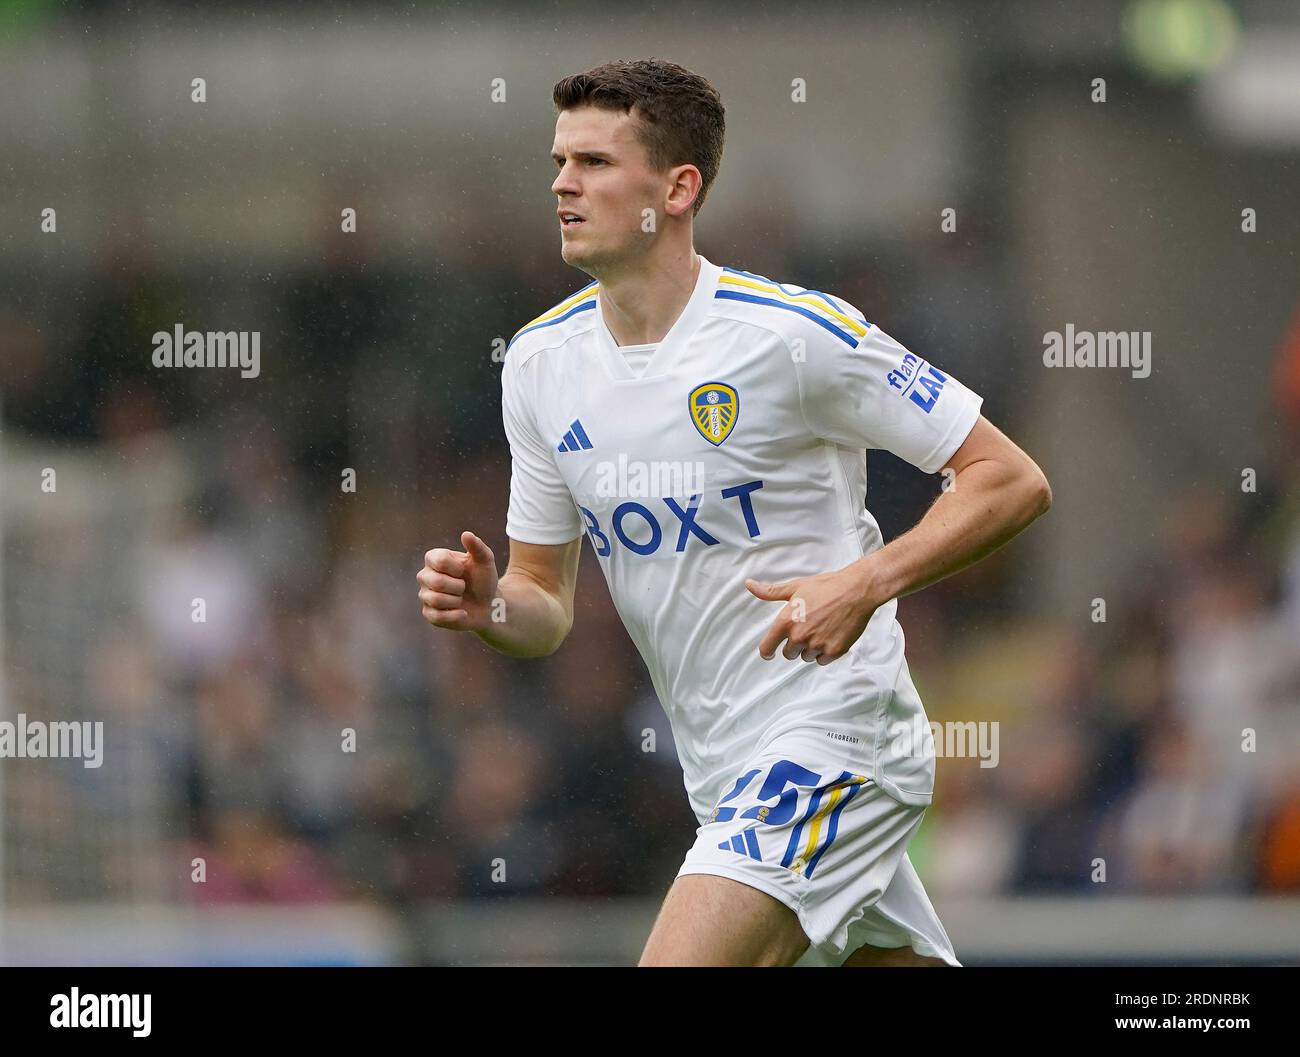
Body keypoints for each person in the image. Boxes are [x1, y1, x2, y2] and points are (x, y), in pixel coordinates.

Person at [417, 58, 1051, 967]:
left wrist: (863, 583)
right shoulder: (538, 364)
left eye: (595, 162)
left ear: (677, 189)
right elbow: (543, 603)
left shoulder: (793, 337)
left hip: (840, 734)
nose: (562, 181)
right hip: (721, 772)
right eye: (560, 160)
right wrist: (492, 609)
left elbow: (1009, 478)